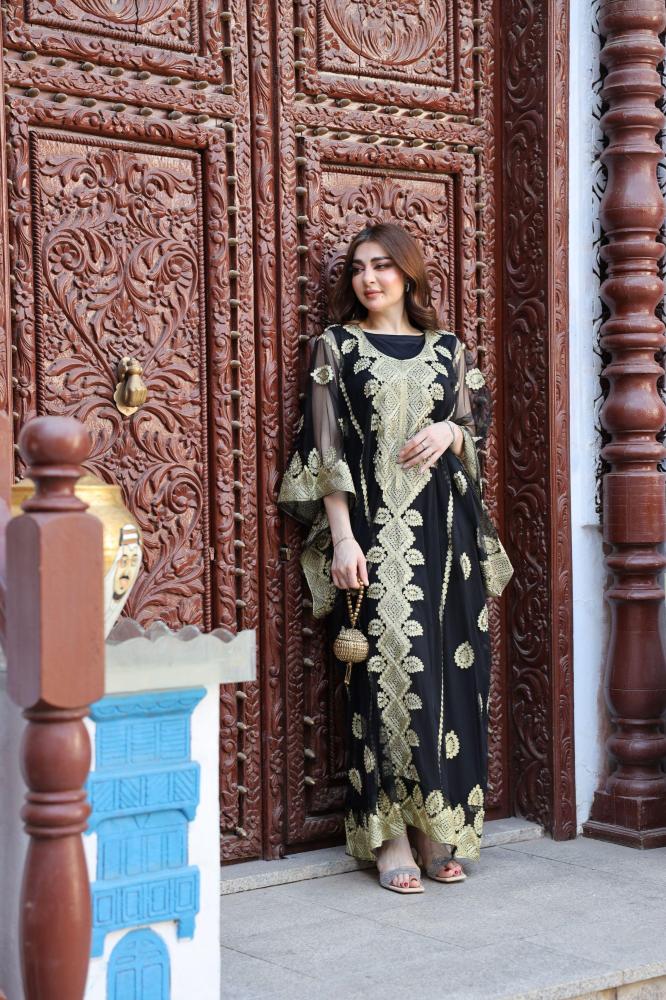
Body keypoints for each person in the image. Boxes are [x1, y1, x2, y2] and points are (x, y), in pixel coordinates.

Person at [277, 222, 511, 894]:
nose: (369, 279)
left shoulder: (449, 350)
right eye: (358, 268)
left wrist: (450, 433)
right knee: (381, 678)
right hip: (373, 535)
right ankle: (390, 838)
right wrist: (343, 537)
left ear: (408, 274)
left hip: (446, 540)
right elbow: (325, 446)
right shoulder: (336, 347)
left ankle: (439, 823)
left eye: (382, 266)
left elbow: (475, 425)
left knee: (452, 676)